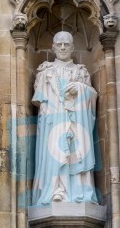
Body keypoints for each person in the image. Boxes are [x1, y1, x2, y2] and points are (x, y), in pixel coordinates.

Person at [32, 31, 98, 205]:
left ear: (73, 47)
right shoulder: (45, 73)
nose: (62, 47)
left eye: (66, 44)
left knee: (77, 152)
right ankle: (55, 190)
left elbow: (92, 98)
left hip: (77, 123)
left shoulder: (81, 73)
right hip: (54, 124)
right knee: (55, 153)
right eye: (59, 44)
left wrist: (80, 88)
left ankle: (79, 192)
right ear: (53, 47)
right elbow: (41, 104)